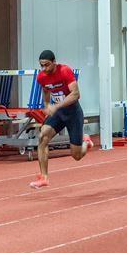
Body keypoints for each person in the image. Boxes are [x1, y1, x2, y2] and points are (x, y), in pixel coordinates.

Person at [31, 50, 92, 189]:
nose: (44, 69)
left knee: (76, 155)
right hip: (58, 113)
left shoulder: (65, 71)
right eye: (41, 66)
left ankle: (85, 142)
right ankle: (44, 177)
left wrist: (56, 106)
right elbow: (45, 90)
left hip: (73, 113)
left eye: (46, 65)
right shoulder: (41, 77)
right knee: (42, 136)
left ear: (54, 62)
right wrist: (46, 105)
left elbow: (76, 94)